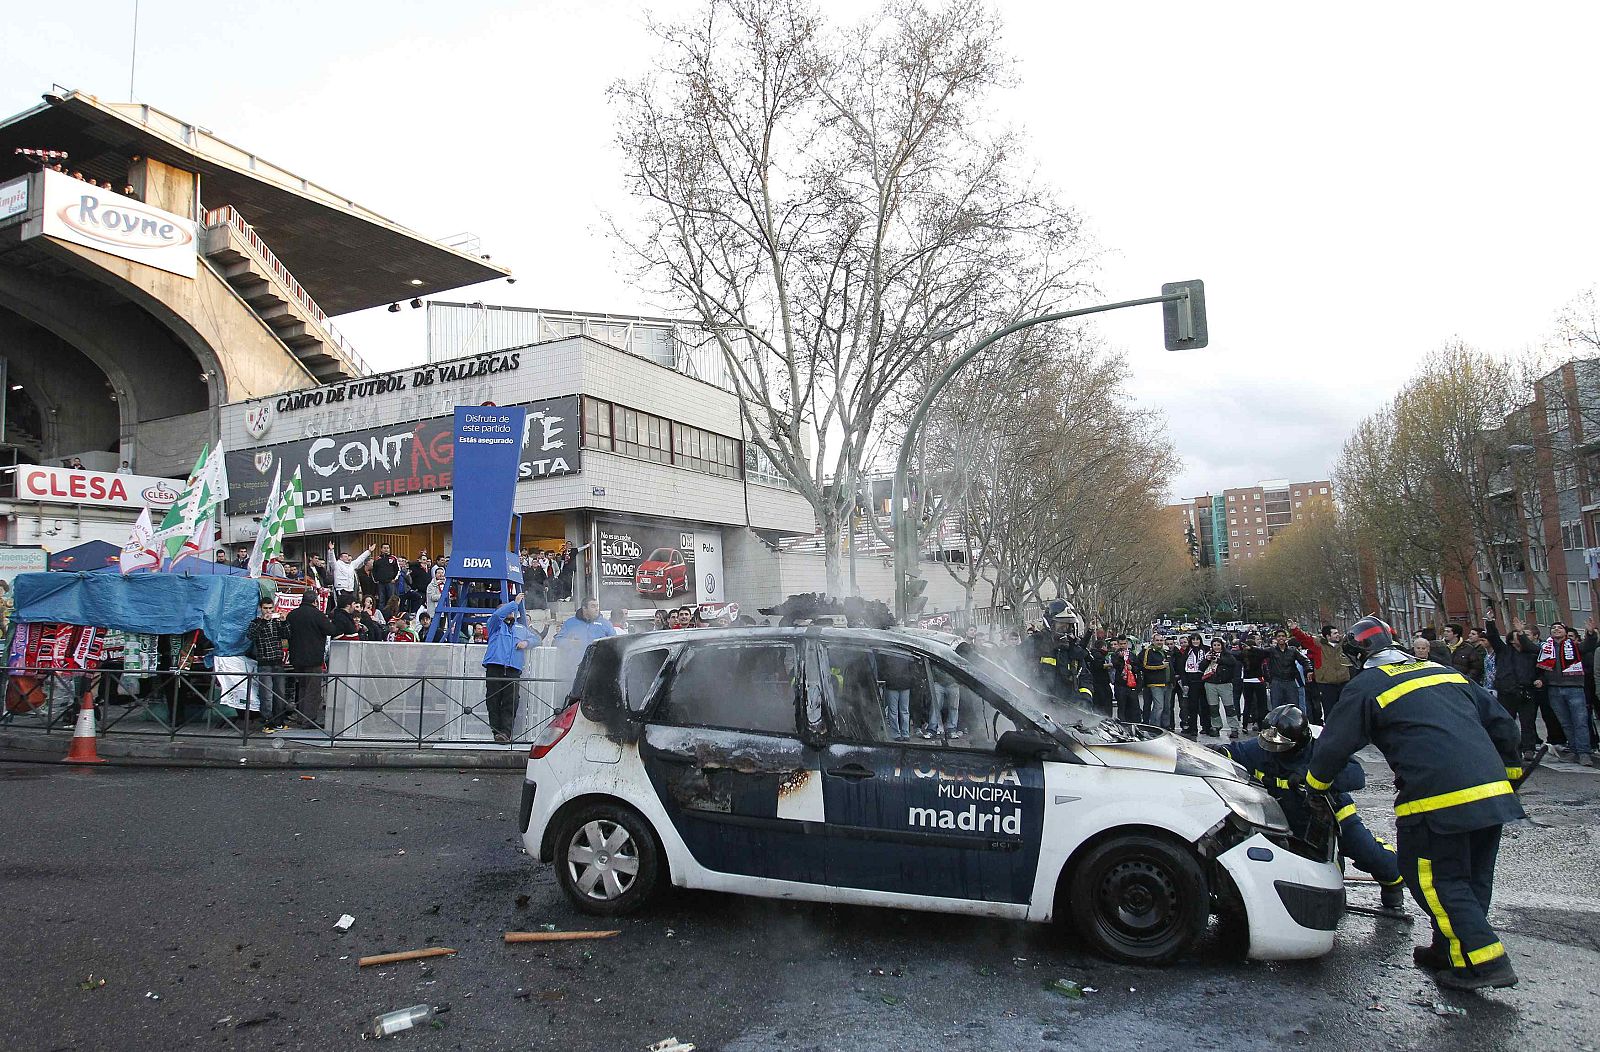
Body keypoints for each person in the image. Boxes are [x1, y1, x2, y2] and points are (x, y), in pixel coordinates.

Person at [1308, 615, 1524, 990]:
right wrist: (1510, 776)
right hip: (1492, 797)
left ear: (1358, 655)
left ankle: (1487, 961)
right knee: (1470, 878)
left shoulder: (1367, 685)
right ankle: (1451, 951)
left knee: (1432, 879)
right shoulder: (1444, 672)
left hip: (1435, 800)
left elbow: (1333, 746)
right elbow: (1504, 725)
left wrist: (1315, 786)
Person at [1219, 704, 1404, 908]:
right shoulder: (1264, 746)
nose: (1273, 751)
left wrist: (1313, 774)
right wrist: (1210, 753)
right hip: (1285, 814)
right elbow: (1232, 753)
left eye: (1280, 746)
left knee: (1363, 849)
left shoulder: (1322, 747)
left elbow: (1356, 775)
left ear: (1299, 742)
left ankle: (1393, 880)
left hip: (1329, 812)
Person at [1536, 620, 1594, 766]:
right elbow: (1530, 648)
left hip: (1574, 688)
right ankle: (1574, 751)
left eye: (1559, 628)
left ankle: (1584, 753)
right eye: (1553, 628)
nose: (1556, 630)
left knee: (1580, 722)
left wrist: (1591, 633)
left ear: (1565, 631)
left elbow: (1588, 645)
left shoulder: (1574, 646)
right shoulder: (1545, 648)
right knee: (1566, 723)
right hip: (1554, 689)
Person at [1484, 609, 1539, 760]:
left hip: (1525, 691)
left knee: (1528, 723)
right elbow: (1493, 637)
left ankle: (1528, 748)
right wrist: (1490, 622)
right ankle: (1509, 748)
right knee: (1507, 721)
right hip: (1506, 691)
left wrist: (1522, 633)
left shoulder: (1532, 652)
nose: (1519, 639)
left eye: (1521, 637)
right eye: (1517, 637)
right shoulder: (1504, 651)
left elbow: (1533, 649)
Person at [482, 600, 536, 743]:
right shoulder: (495, 624)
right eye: (507, 610)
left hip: (513, 668)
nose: (510, 612)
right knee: (493, 700)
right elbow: (497, 615)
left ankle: (505, 732)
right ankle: (497, 731)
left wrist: (527, 643)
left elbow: (536, 639)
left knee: (511, 701)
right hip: (495, 666)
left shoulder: (521, 628)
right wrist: (514, 603)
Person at [285, 596, 335, 728]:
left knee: (301, 687)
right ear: (315, 601)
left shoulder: (292, 614)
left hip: (296, 657)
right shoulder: (317, 615)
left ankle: (301, 717)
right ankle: (309, 719)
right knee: (312, 689)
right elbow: (331, 630)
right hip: (313, 658)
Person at [246, 599, 290, 729]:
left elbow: (287, 635)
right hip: (264, 662)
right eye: (266, 608)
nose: (269, 611)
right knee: (267, 694)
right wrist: (263, 621)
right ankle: (267, 721)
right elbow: (251, 635)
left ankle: (279, 721)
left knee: (280, 693)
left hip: (278, 661)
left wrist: (284, 621)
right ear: (260, 609)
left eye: (271, 608)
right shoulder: (256, 622)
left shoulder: (277, 622)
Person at [1173, 633, 1210, 739]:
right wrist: (1184, 683)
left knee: (1204, 705)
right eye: (1193, 640)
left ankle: (1206, 726)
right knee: (1192, 706)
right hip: (1191, 681)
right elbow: (1182, 668)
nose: (1195, 641)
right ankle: (1193, 728)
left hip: (1203, 680)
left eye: (1197, 639)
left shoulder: (1206, 649)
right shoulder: (1187, 652)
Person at [1200, 638, 1239, 739]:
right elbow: (1201, 667)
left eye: (1218, 645)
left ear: (1222, 645)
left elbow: (1232, 662)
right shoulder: (1208, 655)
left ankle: (1234, 728)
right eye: (1214, 645)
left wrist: (1219, 660)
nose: (1216, 647)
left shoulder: (1227, 655)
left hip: (1225, 684)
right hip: (1210, 684)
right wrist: (1207, 660)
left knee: (1229, 707)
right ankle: (1216, 726)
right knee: (1213, 707)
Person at [1265, 629, 1310, 713]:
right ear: (1276, 638)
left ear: (1286, 638)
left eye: (1283, 636)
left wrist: (1308, 670)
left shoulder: (1292, 650)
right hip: (1276, 682)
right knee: (1277, 708)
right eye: (1279, 636)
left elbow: (1304, 660)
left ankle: (1294, 725)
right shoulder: (1271, 650)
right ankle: (1276, 725)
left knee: (1294, 708)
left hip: (1290, 681)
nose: (1281, 638)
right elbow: (1259, 653)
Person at [1140, 633, 1173, 729]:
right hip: (1156, 683)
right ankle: (1155, 726)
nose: (1159, 642)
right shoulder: (1148, 651)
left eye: (1161, 640)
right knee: (1159, 706)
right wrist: (1160, 666)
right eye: (1157, 640)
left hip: (1168, 683)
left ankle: (1166, 726)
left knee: (1167, 707)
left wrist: (1173, 680)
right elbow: (1145, 666)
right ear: (1153, 641)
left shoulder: (1165, 651)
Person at [371, 543, 401, 610]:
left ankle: (392, 613)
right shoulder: (377, 559)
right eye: (384, 548)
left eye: (387, 548)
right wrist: (376, 580)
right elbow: (374, 570)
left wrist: (394, 579)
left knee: (391, 599)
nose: (386, 549)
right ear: (381, 549)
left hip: (390, 582)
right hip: (380, 583)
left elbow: (398, 570)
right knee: (381, 600)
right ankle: (382, 615)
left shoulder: (393, 558)